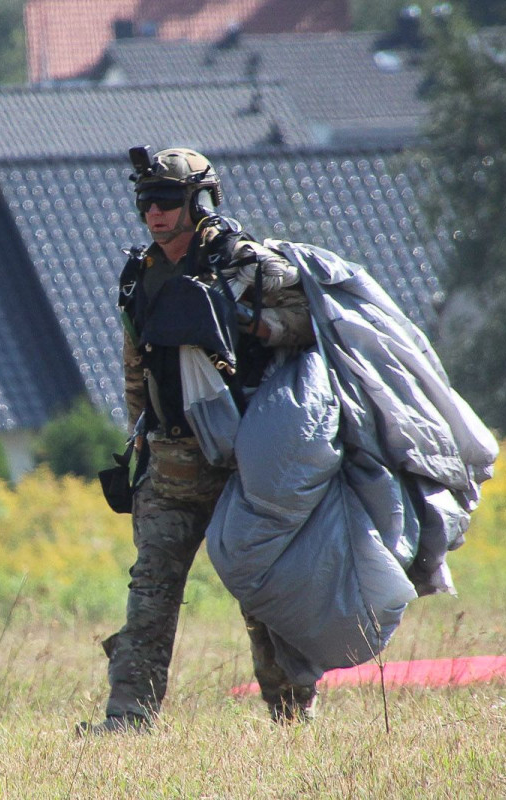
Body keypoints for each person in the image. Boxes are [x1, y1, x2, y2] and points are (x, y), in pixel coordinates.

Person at [78, 147, 319, 735]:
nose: (154, 214)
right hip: (171, 466)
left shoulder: (246, 264)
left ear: (200, 202)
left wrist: (259, 325)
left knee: (261, 594)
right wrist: (138, 443)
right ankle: (128, 719)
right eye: (146, 203)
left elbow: (314, 324)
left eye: (166, 201)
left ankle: (293, 717)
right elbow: (138, 367)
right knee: (150, 594)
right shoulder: (141, 274)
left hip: (246, 464)